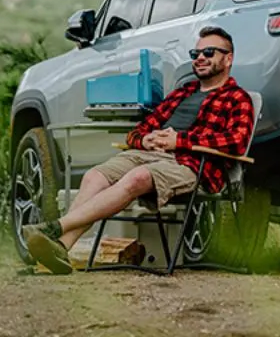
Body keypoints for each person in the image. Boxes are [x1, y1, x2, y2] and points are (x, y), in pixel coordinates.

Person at [24, 25, 254, 275]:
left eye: (208, 52)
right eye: (195, 53)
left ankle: (55, 227)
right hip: (148, 154)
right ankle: (60, 248)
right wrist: (143, 141)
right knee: (94, 176)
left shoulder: (237, 98)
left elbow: (236, 141)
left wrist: (180, 141)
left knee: (138, 177)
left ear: (228, 58)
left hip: (191, 165)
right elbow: (139, 131)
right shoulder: (181, 93)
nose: (199, 58)